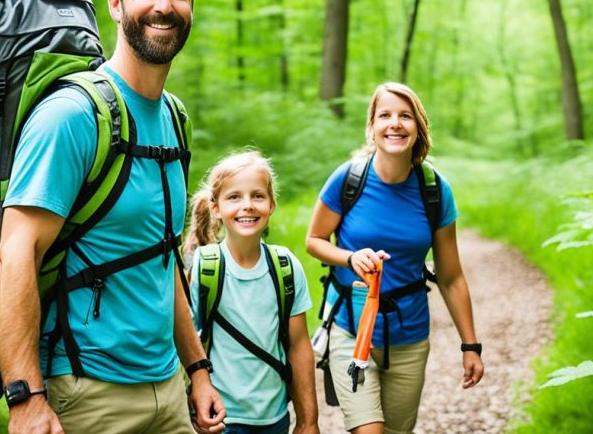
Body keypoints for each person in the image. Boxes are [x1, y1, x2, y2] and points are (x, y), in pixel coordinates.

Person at [0, 0, 225, 434]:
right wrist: (25, 399)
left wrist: (198, 370)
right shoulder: (73, 115)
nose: (164, 5)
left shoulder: (175, 118)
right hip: (86, 392)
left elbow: (162, 259)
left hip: (168, 392)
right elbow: (16, 255)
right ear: (116, 5)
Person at [306, 82, 484, 434]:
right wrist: (349, 257)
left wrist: (471, 345)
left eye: (405, 116)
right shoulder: (348, 179)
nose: (395, 124)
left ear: (418, 128)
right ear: (372, 127)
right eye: (385, 115)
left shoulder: (434, 189)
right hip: (351, 330)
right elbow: (314, 240)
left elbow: (450, 277)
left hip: (410, 337)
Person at [185, 151, 320, 434]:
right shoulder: (203, 267)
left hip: (275, 418)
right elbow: (184, 341)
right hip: (220, 418)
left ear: (272, 204)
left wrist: (309, 421)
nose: (247, 205)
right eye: (234, 197)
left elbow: (299, 346)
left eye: (257, 196)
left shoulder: (285, 267)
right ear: (216, 207)